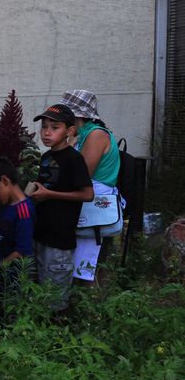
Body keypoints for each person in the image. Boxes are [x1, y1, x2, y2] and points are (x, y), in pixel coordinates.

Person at [28, 104, 93, 312]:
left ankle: (59, 327)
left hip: (60, 237)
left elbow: (88, 194)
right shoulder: (46, 157)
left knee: (54, 298)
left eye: (54, 128)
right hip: (40, 232)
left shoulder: (74, 159)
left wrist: (49, 195)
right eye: (44, 127)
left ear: (69, 131)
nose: (47, 132)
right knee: (37, 291)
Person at [58, 90, 121, 284]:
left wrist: (67, 145)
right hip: (87, 205)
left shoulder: (96, 135)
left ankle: (91, 298)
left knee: (89, 268)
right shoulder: (83, 135)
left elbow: (81, 175)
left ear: (76, 116)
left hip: (95, 207)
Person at [0, 157, 36, 296]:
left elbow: (22, 250)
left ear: (4, 181)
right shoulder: (2, 205)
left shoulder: (23, 211)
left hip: (12, 276)